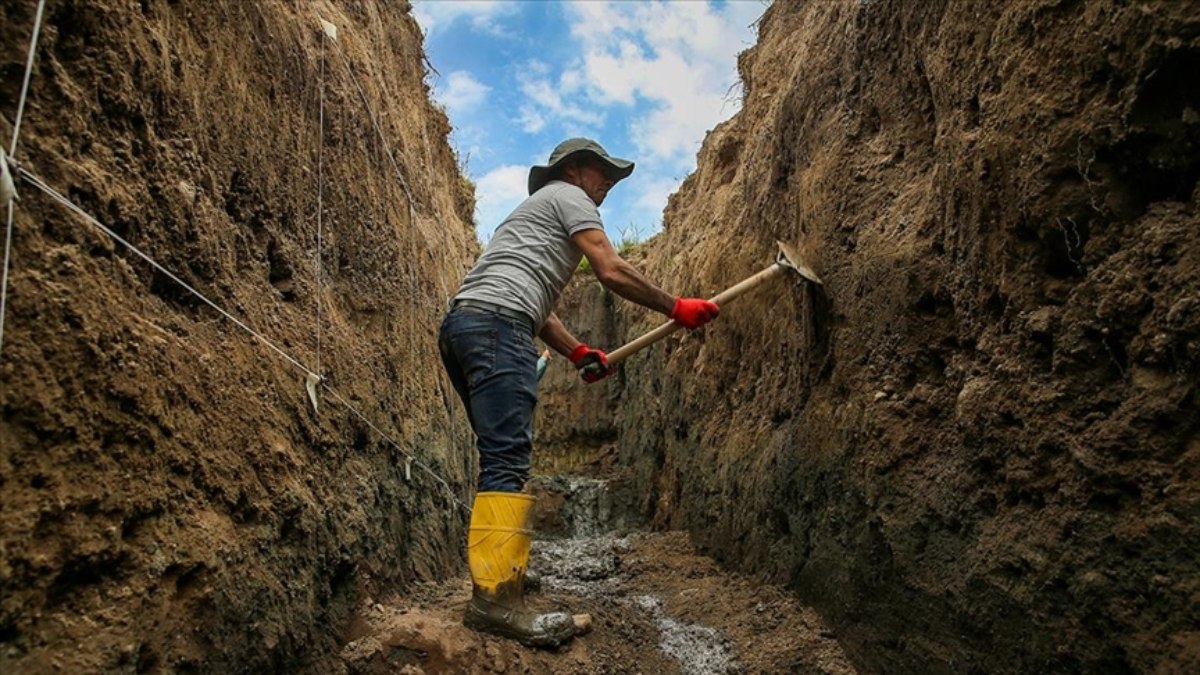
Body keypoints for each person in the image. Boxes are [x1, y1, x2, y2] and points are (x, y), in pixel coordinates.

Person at [438, 138, 720, 647]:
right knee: (507, 458)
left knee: (498, 454)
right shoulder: (571, 198)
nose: (607, 182)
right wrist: (675, 305)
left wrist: (576, 352)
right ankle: (495, 604)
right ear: (573, 171)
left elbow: (539, 308)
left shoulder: (528, 221)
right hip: (500, 328)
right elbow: (611, 269)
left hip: (466, 326)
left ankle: (504, 570)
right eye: (601, 171)